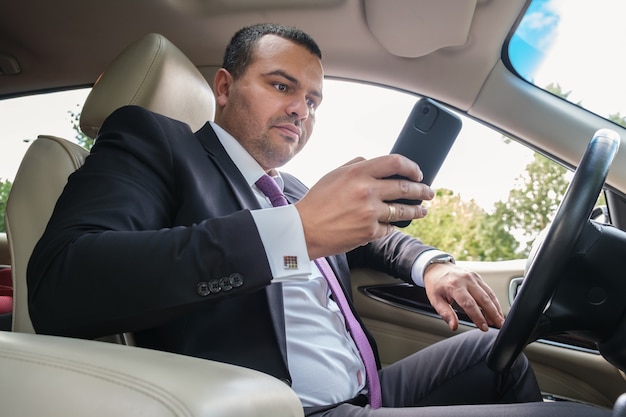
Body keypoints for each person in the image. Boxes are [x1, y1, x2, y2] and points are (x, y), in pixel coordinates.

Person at [27, 23, 610, 417]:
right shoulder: (156, 143)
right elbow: (64, 283)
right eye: (282, 86)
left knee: (494, 349)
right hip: (284, 408)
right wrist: (295, 233)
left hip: (372, 391)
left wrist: (433, 265)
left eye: (312, 101)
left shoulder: (292, 190)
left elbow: (377, 245)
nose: (300, 111)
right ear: (224, 89)